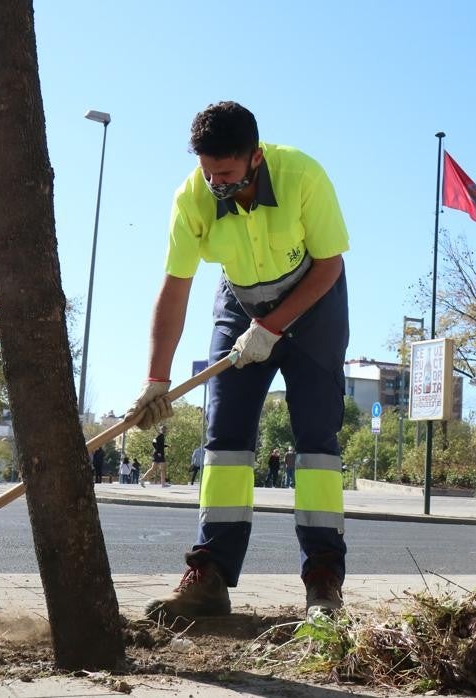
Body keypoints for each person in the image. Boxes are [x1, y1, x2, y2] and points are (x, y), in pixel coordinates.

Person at [126, 100, 350, 620]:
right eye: (207, 173)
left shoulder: (302, 176)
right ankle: (209, 575)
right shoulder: (192, 197)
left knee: (316, 443)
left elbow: (329, 267)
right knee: (224, 439)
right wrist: (156, 378)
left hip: (314, 303)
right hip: (241, 299)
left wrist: (272, 329)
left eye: (224, 173)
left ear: (255, 158)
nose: (214, 184)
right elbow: (175, 287)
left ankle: (323, 579)